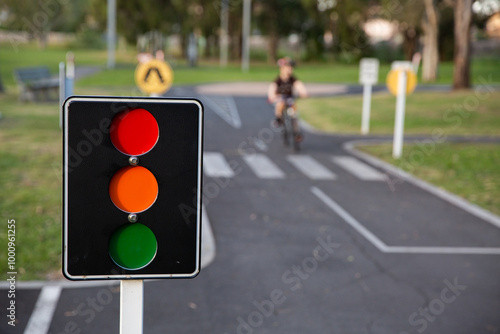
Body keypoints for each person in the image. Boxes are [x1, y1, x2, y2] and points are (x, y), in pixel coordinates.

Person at [267, 57, 308, 127]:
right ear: (281, 69)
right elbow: (272, 87)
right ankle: (278, 118)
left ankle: (296, 130)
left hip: (290, 97)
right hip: (280, 97)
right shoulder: (278, 80)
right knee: (280, 104)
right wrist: (272, 96)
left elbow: (298, 85)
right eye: (287, 68)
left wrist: (303, 92)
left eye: (291, 68)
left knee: (294, 110)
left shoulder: (292, 79)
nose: (289, 70)